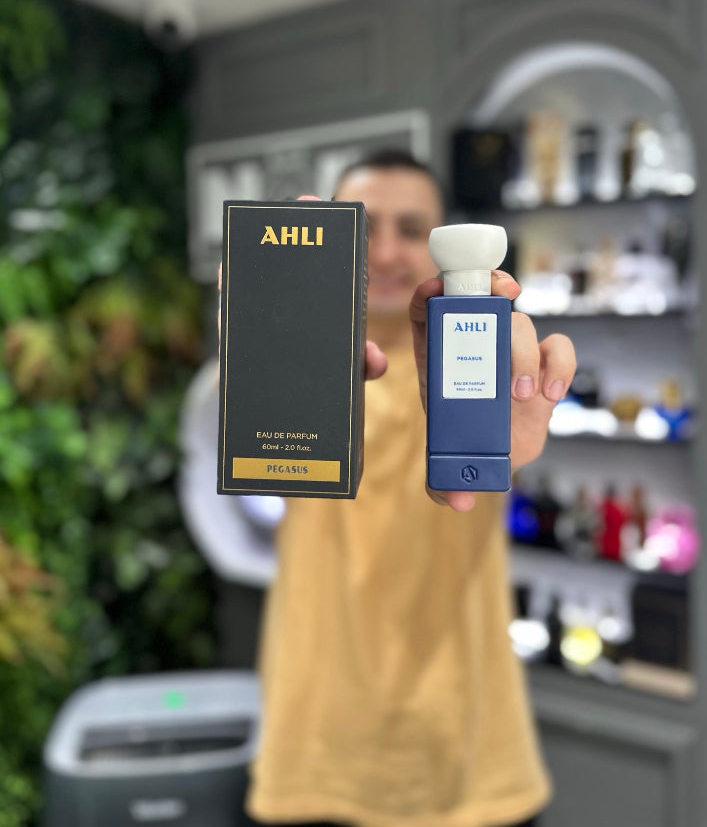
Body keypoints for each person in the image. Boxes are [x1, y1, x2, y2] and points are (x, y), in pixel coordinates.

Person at [225, 149, 576, 827]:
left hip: (469, 764)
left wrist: (513, 411)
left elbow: (492, 461)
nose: (385, 252)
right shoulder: (298, 366)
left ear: (445, 245)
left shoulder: (478, 364)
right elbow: (249, 483)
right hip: (313, 757)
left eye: (412, 230)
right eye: (364, 229)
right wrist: (260, 326)